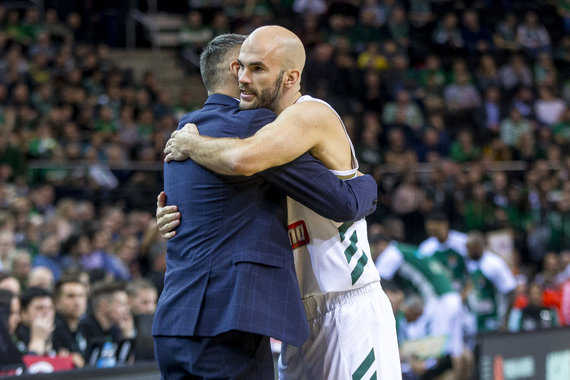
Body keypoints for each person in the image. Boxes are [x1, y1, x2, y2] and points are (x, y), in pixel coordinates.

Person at [160, 26, 400, 380]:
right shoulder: (256, 126)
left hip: (346, 303)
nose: (243, 78)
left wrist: (191, 143)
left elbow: (244, 158)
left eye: (257, 69)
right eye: (240, 67)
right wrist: (172, 211)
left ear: (291, 77)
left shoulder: (308, 114)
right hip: (293, 313)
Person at [372, 233, 470, 380]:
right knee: (456, 351)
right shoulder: (406, 251)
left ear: (381, 245)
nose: (374, 255)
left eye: (374, 250)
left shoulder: (391, 253)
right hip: (451, 296)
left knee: (438, 354)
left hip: (438, 300)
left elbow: (375, 283)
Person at [465, 231, 517, 333]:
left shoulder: (494, 263)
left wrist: (505, 320)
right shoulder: (469, 263)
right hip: (475, 318)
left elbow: (511, 291)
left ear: (478, 247)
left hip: (494, 318)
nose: (468, 252)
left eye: (470, 249)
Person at [77, 281, 135, 367]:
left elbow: (123, 366)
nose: (127, 309)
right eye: (122, 304)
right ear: (103, 306)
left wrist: (127, 336)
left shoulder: (115, 330)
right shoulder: (83, 330)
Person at [53, 275, 88, 368]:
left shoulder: (85, 327)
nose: (77, 301)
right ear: (56, 302)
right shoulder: (51, 330)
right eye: (70, 296)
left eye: (81, 296)